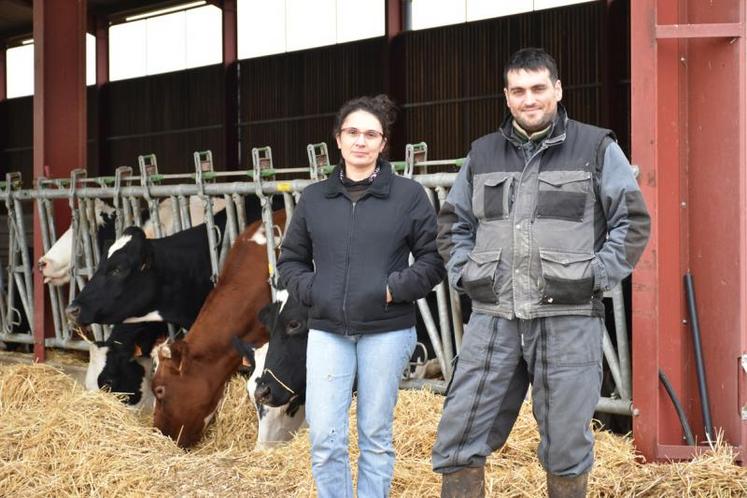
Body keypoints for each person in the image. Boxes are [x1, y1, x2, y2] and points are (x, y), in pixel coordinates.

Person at [431, 48, 650, 498]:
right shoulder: (483, 154)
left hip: (567, 317)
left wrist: (595, 275)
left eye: (537, 88)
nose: (528, 99)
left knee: (568, 442)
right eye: (518, 91)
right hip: (494, 317)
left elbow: (632, 223)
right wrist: (467, 274)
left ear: (557, 90)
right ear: (507, 97)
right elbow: (453, 224)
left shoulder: (595, 148)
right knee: (459, 432)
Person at [278, 94, 446, 498]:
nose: (361, 141)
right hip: (328, 331)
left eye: (371, 134)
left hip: (386, 331)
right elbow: (290, 261)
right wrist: (316, 291)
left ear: (383, 143)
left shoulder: (408, 196)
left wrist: (393, 289)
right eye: (352, 132)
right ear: (338, 139)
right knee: (325, 441)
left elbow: (433, 260)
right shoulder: (315, 198)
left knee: (374, 436)